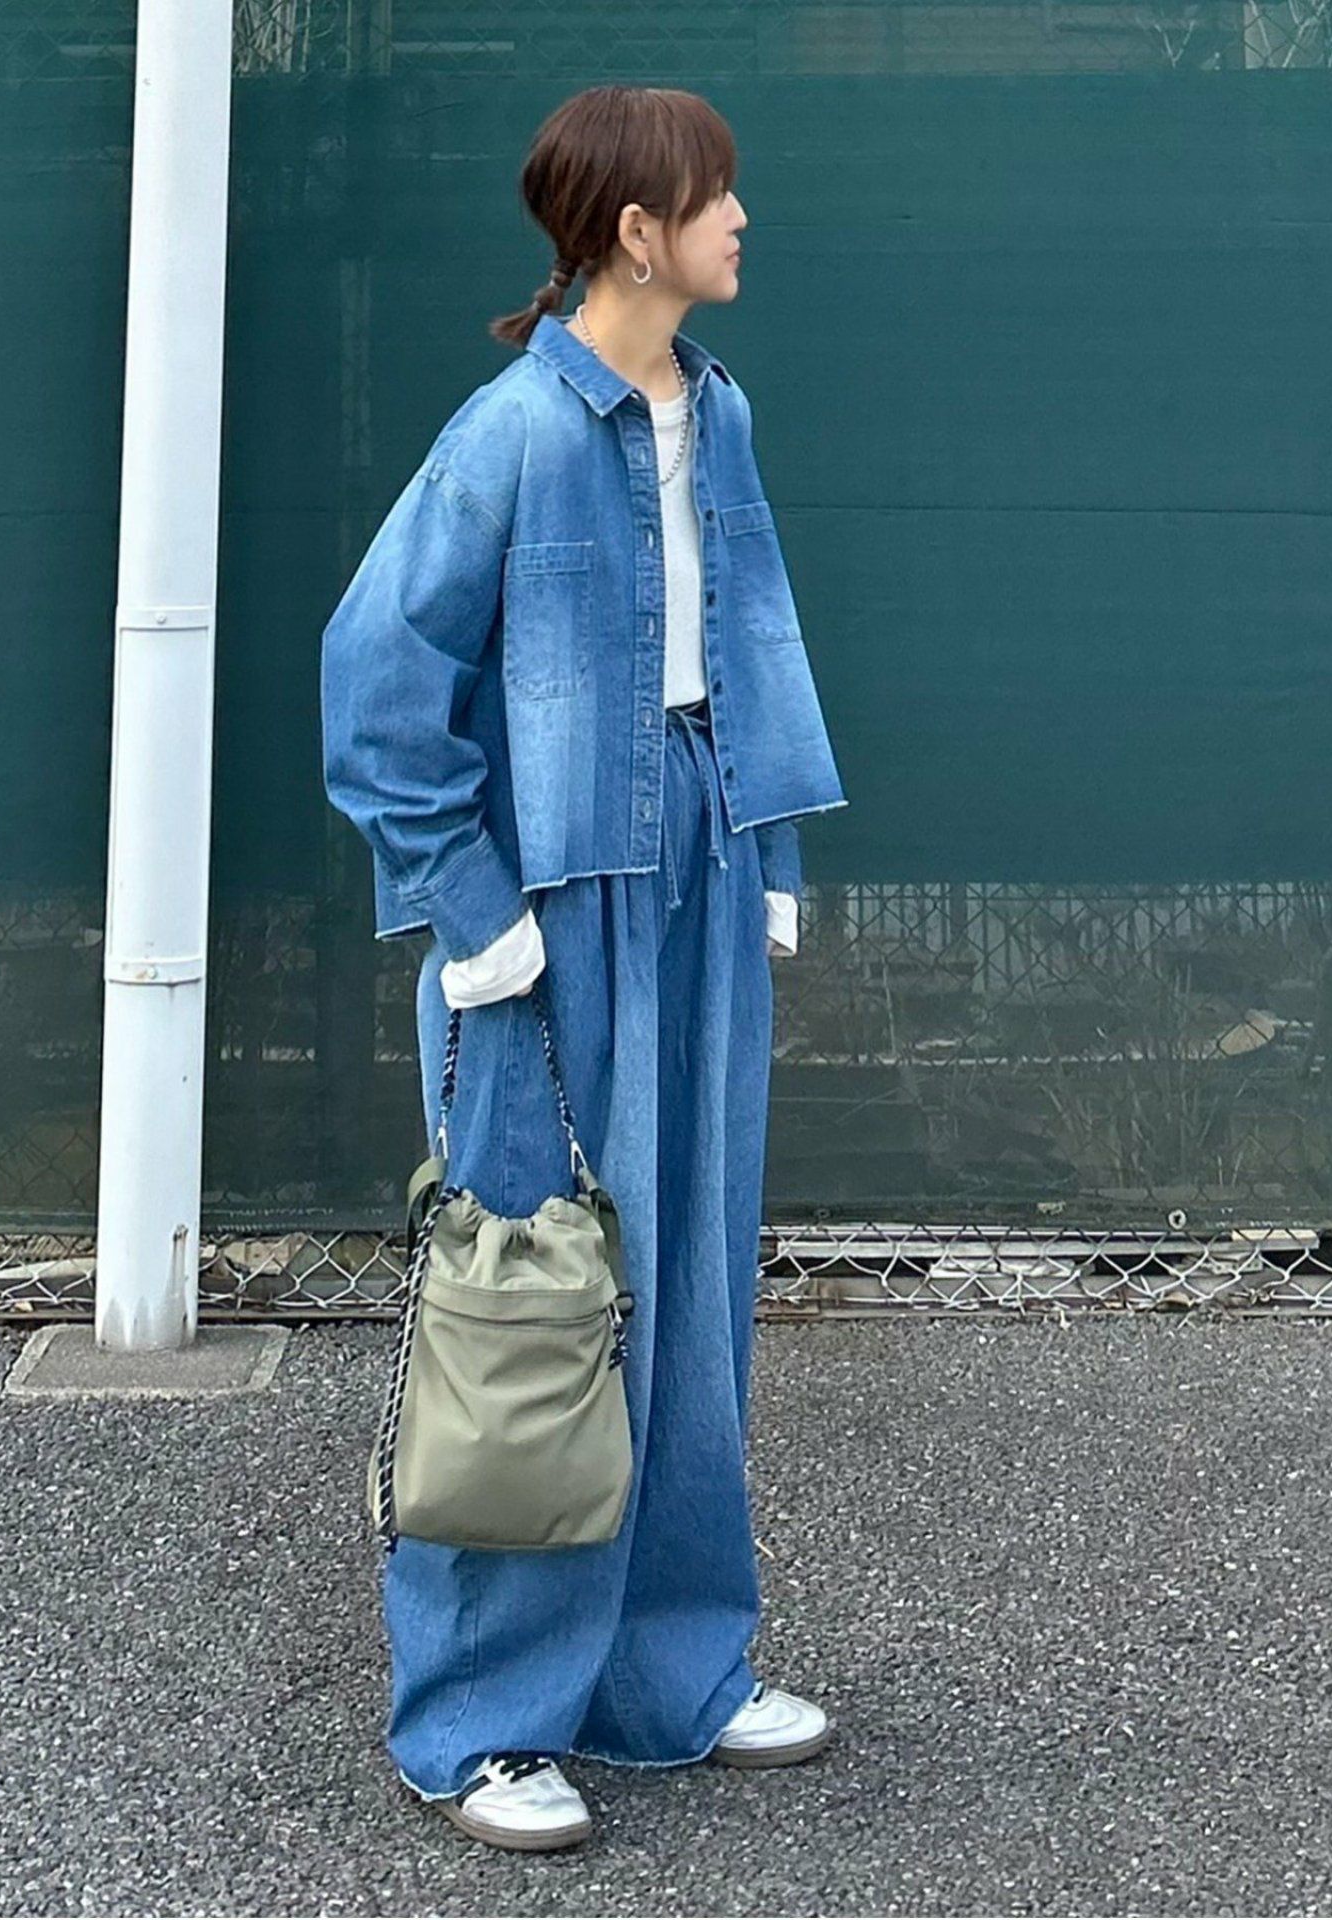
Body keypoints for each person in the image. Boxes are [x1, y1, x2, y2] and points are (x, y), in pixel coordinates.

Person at [320, 82, 849, 1852]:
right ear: (636, 231)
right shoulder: (511, 434)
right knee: (529, 1305)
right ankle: (481, 1722)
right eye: (716, 193)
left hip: (701, 871)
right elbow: (375, 686)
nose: (741, 218)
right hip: (552, 913)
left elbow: (752, 631)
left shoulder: (721, 409)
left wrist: (767, 852)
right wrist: (473, 915)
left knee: (690, 1279)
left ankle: (669, 1677)